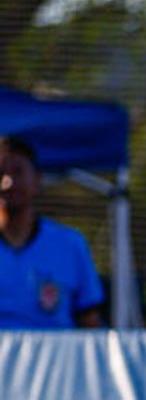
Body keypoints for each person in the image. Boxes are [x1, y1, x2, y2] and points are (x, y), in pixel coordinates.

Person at [0, 135, 107, 329]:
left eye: (18, 172)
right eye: (1, 173)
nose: (8, 182)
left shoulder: (70, 245)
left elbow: (90, 324)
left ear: (37, 180)